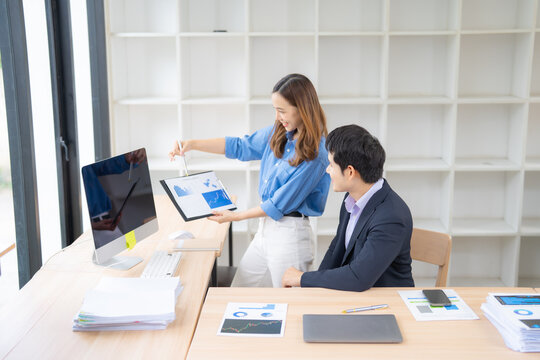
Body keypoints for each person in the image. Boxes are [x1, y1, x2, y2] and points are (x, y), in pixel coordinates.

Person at [168, 74, 331, 287]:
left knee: (288, 305)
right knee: (240, 292)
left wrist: (235, 217)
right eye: (275, 109)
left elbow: (278, 204)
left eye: (282, 110)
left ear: (302, 108)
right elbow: (239, 146)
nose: (278, 116)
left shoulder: (316, 153)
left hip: (290, 235)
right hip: (266, 230)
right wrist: (191, 144)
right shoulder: (279, 132)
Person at [281, 125, 414, 291]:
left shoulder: (391, 217)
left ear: (350, 172)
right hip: (358, 295)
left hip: (387, 303)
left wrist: (302, 278)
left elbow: (358, 277)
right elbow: (337, 248)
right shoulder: (352, 197)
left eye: (331, 164)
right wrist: (312, 289)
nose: (327, 170)